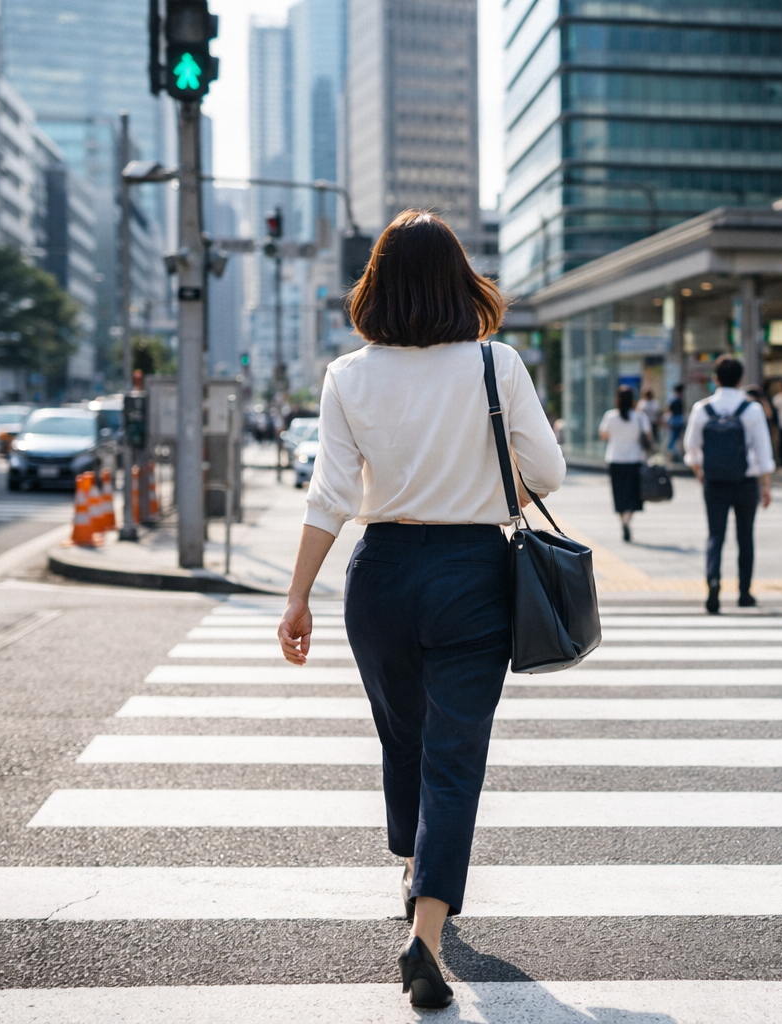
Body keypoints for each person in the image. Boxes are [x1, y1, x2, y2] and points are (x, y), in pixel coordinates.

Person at [276, 210, 565, 1010]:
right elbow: (548, 471)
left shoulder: (348, 375)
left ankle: (414, 868)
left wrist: (297, 596)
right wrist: (484, 480)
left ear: (377, 285)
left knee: (402, 739)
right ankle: (425, 933)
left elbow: (330, 494)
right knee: (454, 755)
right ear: (457, 283)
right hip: (473, 571)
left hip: (379, 574)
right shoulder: (496, 364)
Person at [684, 356, 775, 613]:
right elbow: (764, 451)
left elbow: (690, 448)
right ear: (741, 380)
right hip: (745, 482)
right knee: (745, 537)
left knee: (715, 535)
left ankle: (713, 580)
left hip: (714, 482)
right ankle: (744, 593)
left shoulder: (702, 409)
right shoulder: (752, 409)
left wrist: (700, 473)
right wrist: (766, 485)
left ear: (715, 379)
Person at [600, 385, 654, 543]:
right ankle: (627, 520)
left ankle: (623, 520)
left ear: (617, 399)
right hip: (634, 460)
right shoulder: (639, 417)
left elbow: (603, 435)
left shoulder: (610, 416)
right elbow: (649, 437)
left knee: (619, 493)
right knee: (632, 493)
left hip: (615, 459)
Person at [666, 385, 686, 456]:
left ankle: (672, 451)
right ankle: (671, 451)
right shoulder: (679, 400)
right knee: (676, 437)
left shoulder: (674, 400)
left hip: (674, 420)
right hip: (678, 420)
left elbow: (669, 409)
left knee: (674, 437)